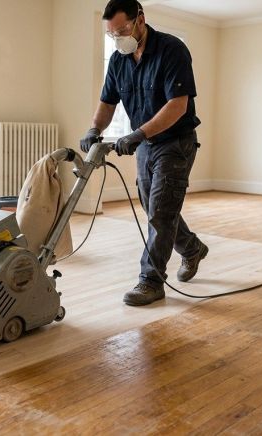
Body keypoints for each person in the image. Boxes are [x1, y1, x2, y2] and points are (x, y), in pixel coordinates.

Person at [80, 0, 207, 306]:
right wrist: (94, 129)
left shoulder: (172, 49)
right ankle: (192, 248)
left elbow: (178, 105)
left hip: (175, 142)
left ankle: (151, 281)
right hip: (146, 145)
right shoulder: (118, 61)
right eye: (112, 34)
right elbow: (107, 102)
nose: (118, 38)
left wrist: (138, 134)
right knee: (157, 209)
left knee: (161, 211)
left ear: (140, 19)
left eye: (122, 30)